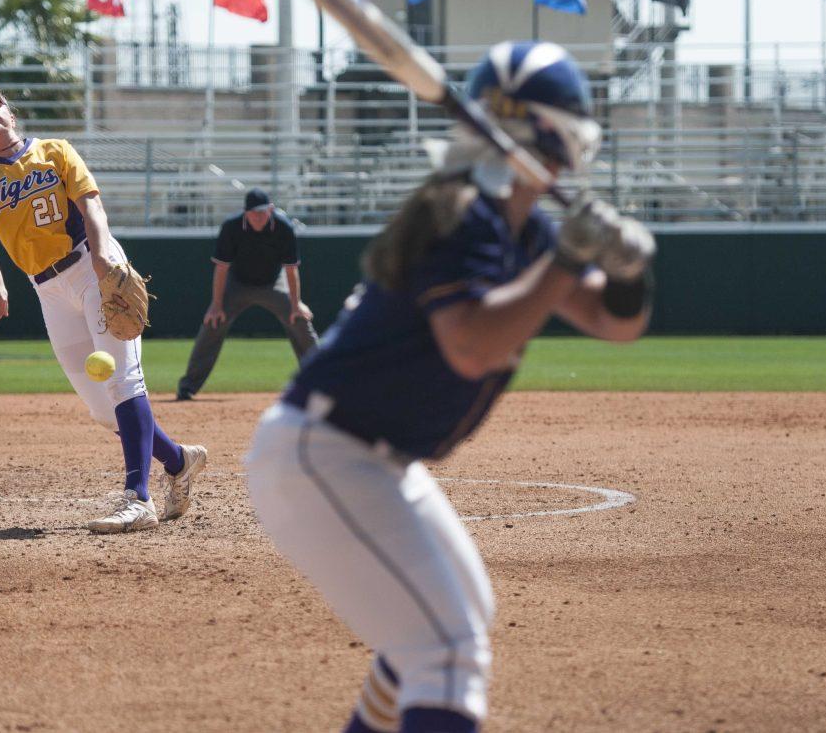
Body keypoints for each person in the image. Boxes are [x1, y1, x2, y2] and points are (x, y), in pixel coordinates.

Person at [244, 42, 656, 733]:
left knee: (456, 619)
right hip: (326, 450)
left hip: (368, 458)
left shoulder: (521, 227)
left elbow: (615, 323)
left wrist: (627, 268)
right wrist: (569, 258)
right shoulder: (462, 210)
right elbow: (471, 346)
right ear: (562, 136)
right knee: (446, 648)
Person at [0, 85, 207, 534]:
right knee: (101, 409)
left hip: (91, 265)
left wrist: (104, 254)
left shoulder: (56, 151)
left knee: (122, 379)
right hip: (47, 289)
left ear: (12, 115)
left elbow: (92, 204)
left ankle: (138, 498)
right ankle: (179, 460)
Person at [175, 187, 319, 401]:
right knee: (213, 322)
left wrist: (296, 304)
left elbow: (291, 269)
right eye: (253, 213)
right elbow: (221, 268)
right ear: (245, 212)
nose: (258, 217)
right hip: (237, 284)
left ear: (271, 210)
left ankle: (324, 382)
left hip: (273, 283)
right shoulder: (232, 227)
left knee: (299, 320)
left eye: (262, 212)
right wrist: (216, 304)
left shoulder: (283, 227)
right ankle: (188, 386)